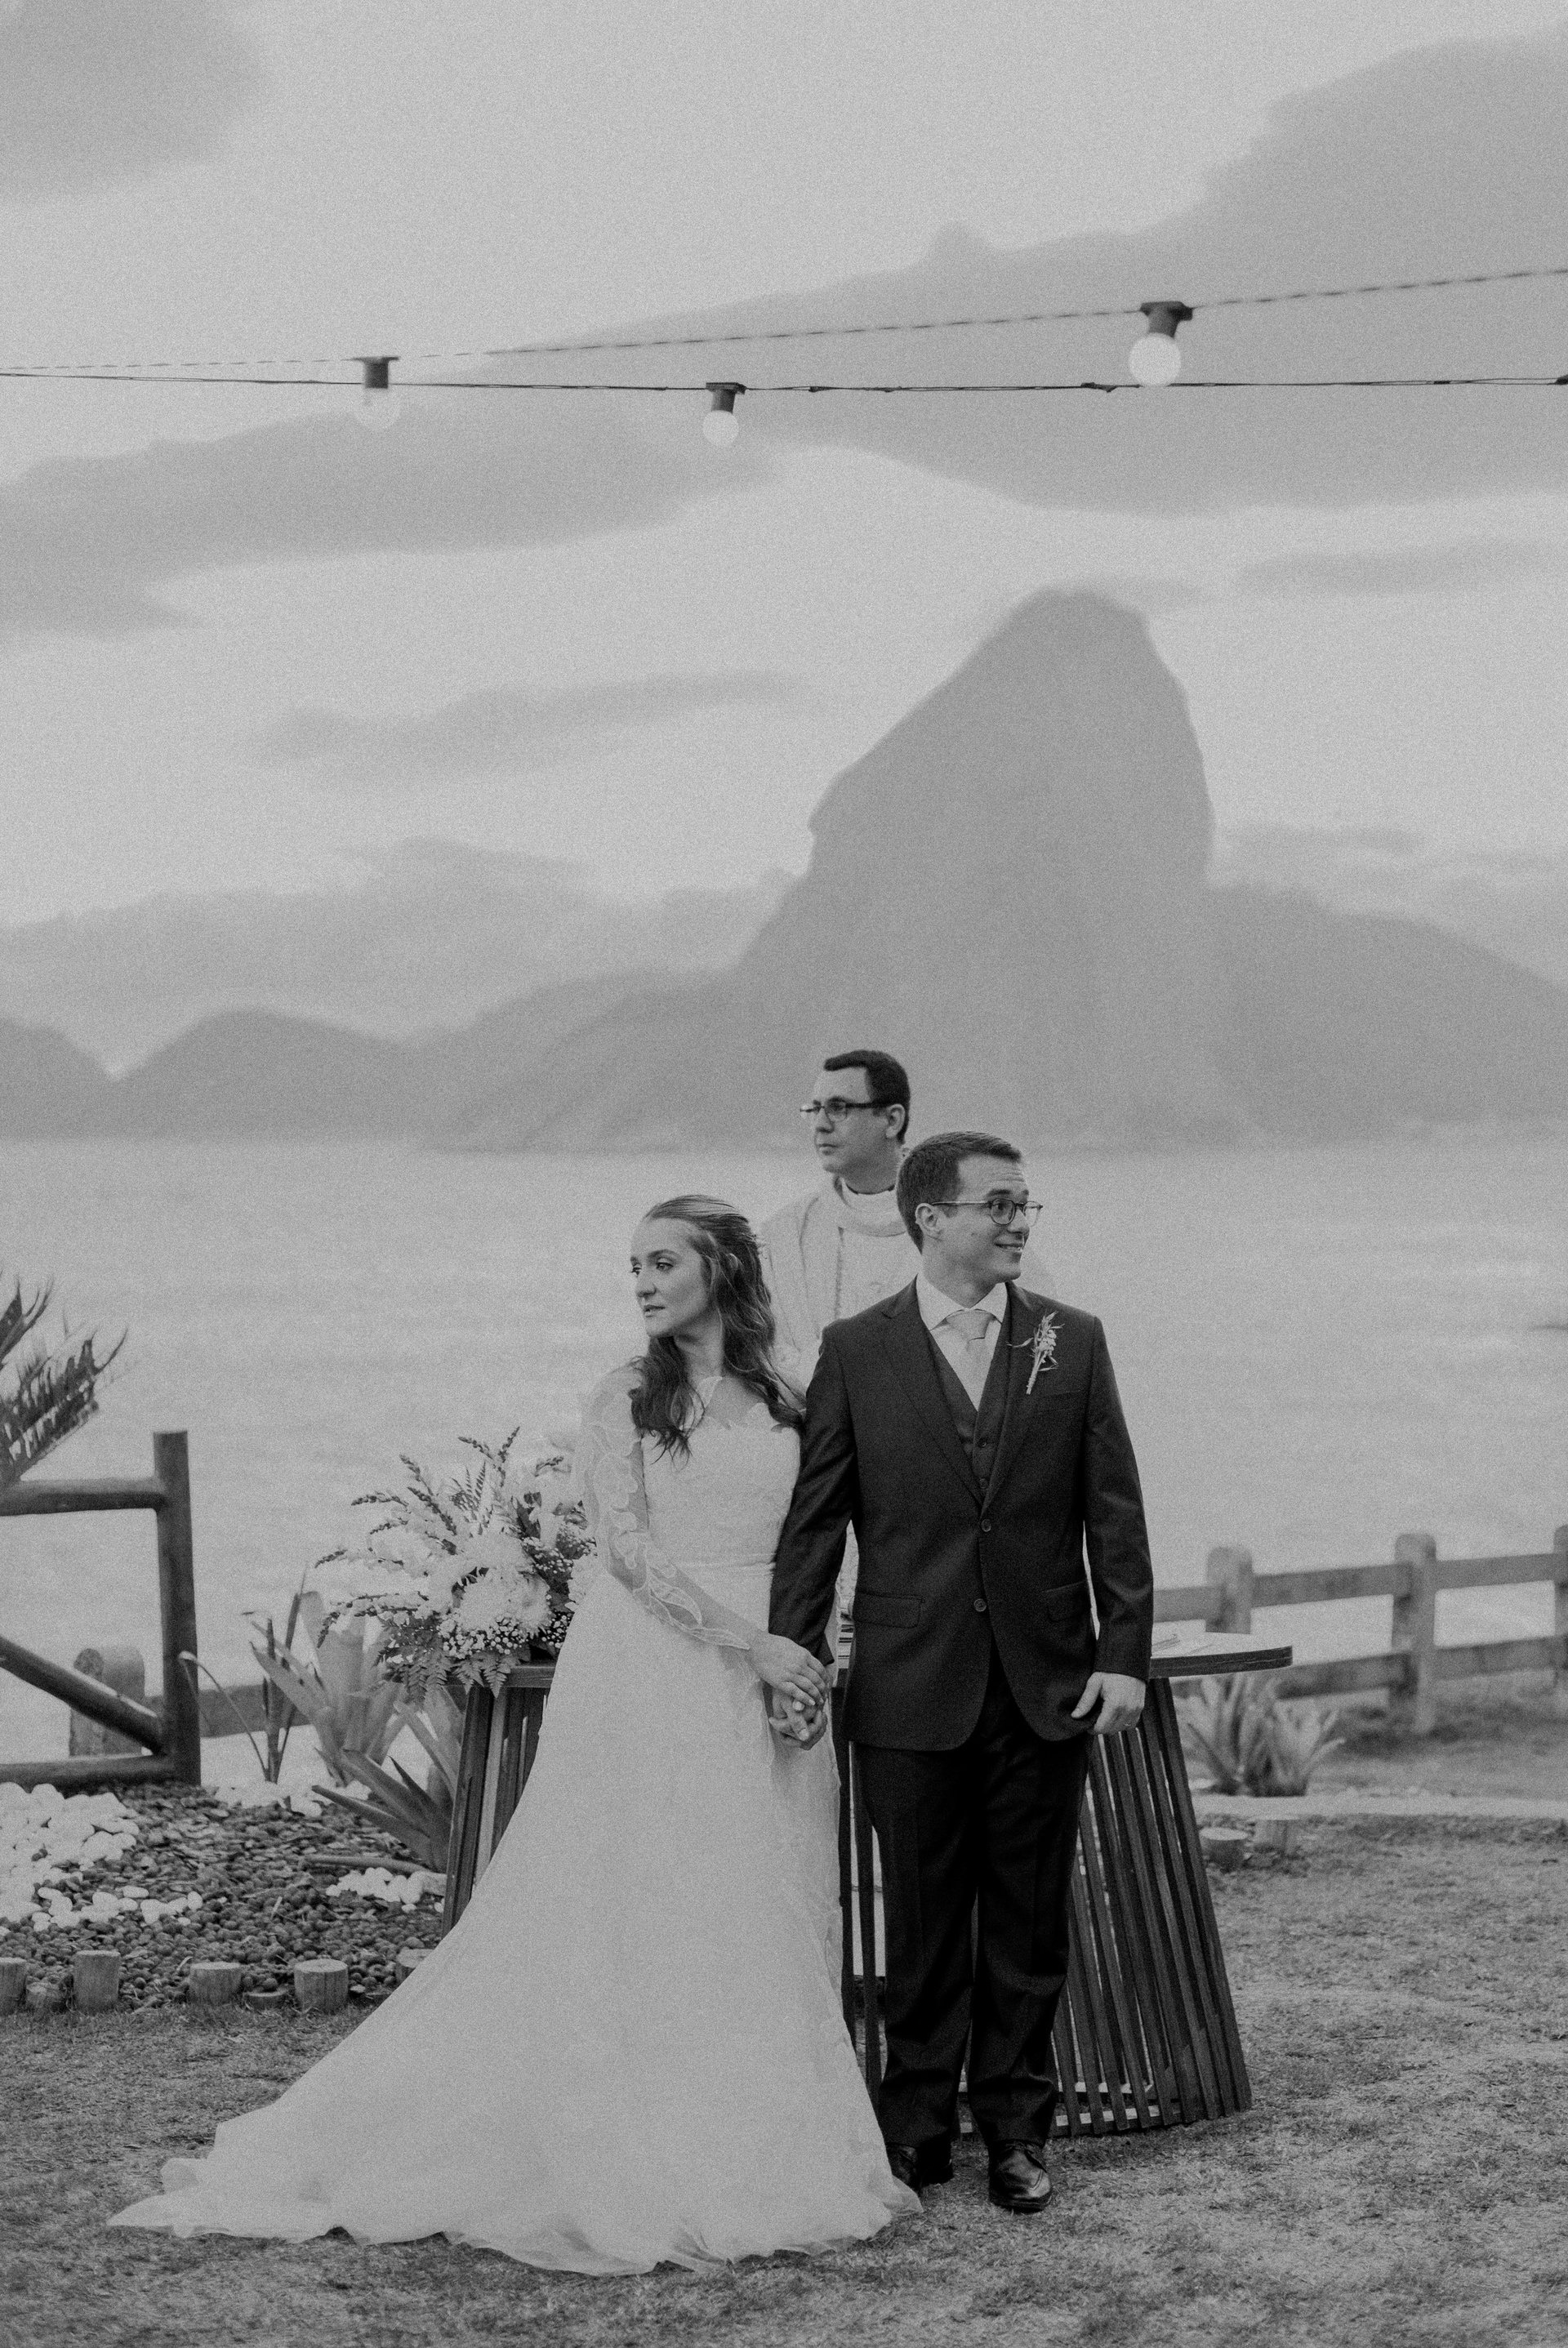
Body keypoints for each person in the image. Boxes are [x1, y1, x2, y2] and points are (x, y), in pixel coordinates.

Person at [110, 1196, 916, 2272]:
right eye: (633, 1266)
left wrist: (807, 1649)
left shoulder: (790, 1392)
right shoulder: (627, 1394)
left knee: (765, 1889)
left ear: (724, 1269)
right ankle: (636, 2145)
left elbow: (824, 1530)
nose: (642, 1283)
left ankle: (762, 2143)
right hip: (658, 1667)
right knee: (650, 1895)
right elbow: (629, 1555)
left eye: (663, 1262)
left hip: (775, 1661)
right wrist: (753, 1646)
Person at [767, 1132, 1153, 2216]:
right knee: (922, 1923)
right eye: (1000, 1205)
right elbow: (818, 1522)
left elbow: (1114, 1511)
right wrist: (794, 1656)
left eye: (1027, 1205)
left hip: (1046, 1682)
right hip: (907, 1681)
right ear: (931, 1219)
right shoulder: (856, 1350)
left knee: (1028, 1922)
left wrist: (1124, 1656)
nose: (1020, 1222)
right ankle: (917, 2131)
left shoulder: (1074, 1341)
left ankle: (1019, 2135)